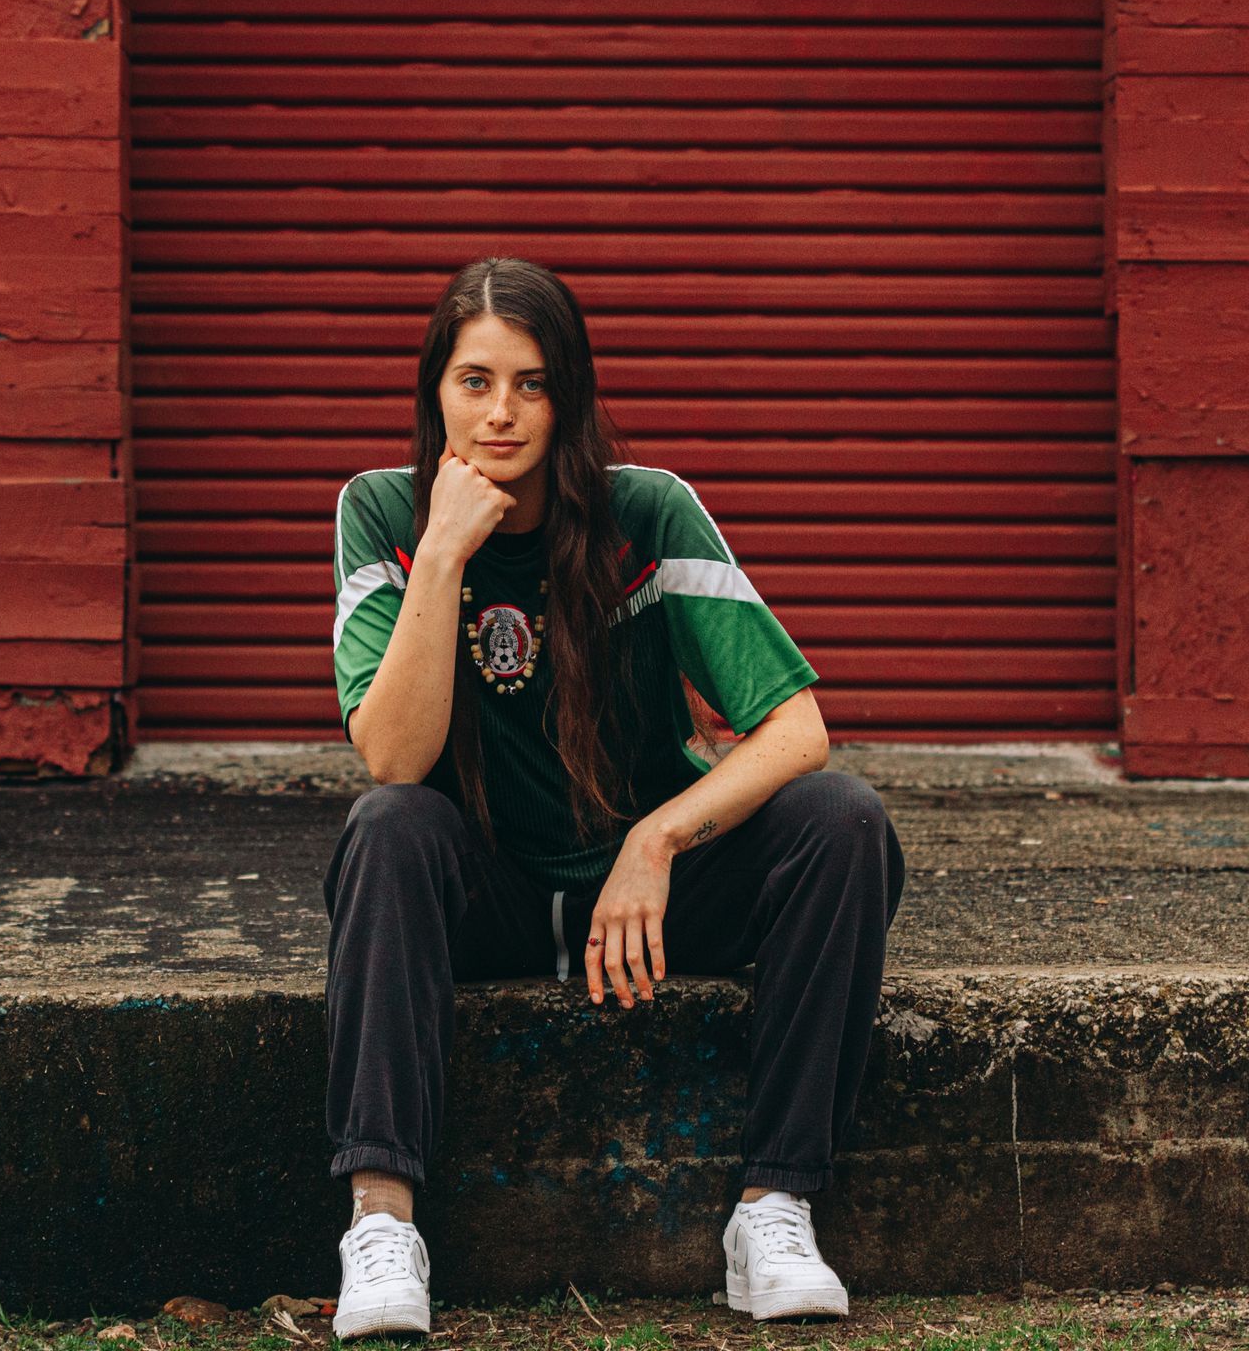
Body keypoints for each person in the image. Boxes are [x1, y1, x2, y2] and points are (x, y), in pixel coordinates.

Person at [324, 257, 906, 1337]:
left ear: (571, 395)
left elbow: (797, 730)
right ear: (434, 392)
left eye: (533, 384)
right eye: (475, 381)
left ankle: (773, 1209)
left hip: (651, 901)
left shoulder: (647, 513)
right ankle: (383, 1223)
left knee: (845, 821)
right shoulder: (381, 515)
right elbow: (395, 758)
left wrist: (660, 838)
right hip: (482, 897)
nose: (502, 413)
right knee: (388, 828)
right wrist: (447, 549)